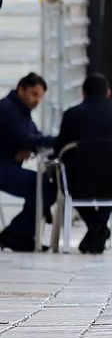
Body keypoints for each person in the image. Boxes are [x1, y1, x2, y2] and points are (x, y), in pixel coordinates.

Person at [53, 73, 112, 255]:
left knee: (68, 181)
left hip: (79, 184)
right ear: (108, 92)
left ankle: (95, 227)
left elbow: (59, 152)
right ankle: (99, 226)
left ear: (83, 93)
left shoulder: (71, 115)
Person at [0, 74, 55, 252]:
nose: (37, 100)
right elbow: (26, 139)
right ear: (21, 89)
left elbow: (34, 138)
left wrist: (30, 145)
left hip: (8, 166)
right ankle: (15, 234)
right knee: (44, 186)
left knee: (44, 185)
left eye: (40, 96)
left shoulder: (22, 113)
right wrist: (56, 141)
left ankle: (19, 234)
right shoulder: (7, 109)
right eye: (34, 94)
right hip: (3, 167)